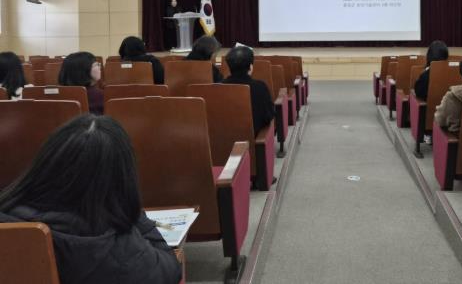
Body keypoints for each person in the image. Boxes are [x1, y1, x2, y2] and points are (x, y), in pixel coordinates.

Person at [0, 114, 182, 284]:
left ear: (45, 163)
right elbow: (170, 268)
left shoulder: (8, 217)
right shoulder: (121, 252)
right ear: (121, 179)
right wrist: (130, 210)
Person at [223, 46, 275, 136]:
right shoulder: (260, 87)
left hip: (223, 137)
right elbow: (269, 116)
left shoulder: (218, 87)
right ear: (251, 67)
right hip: (253, 138)